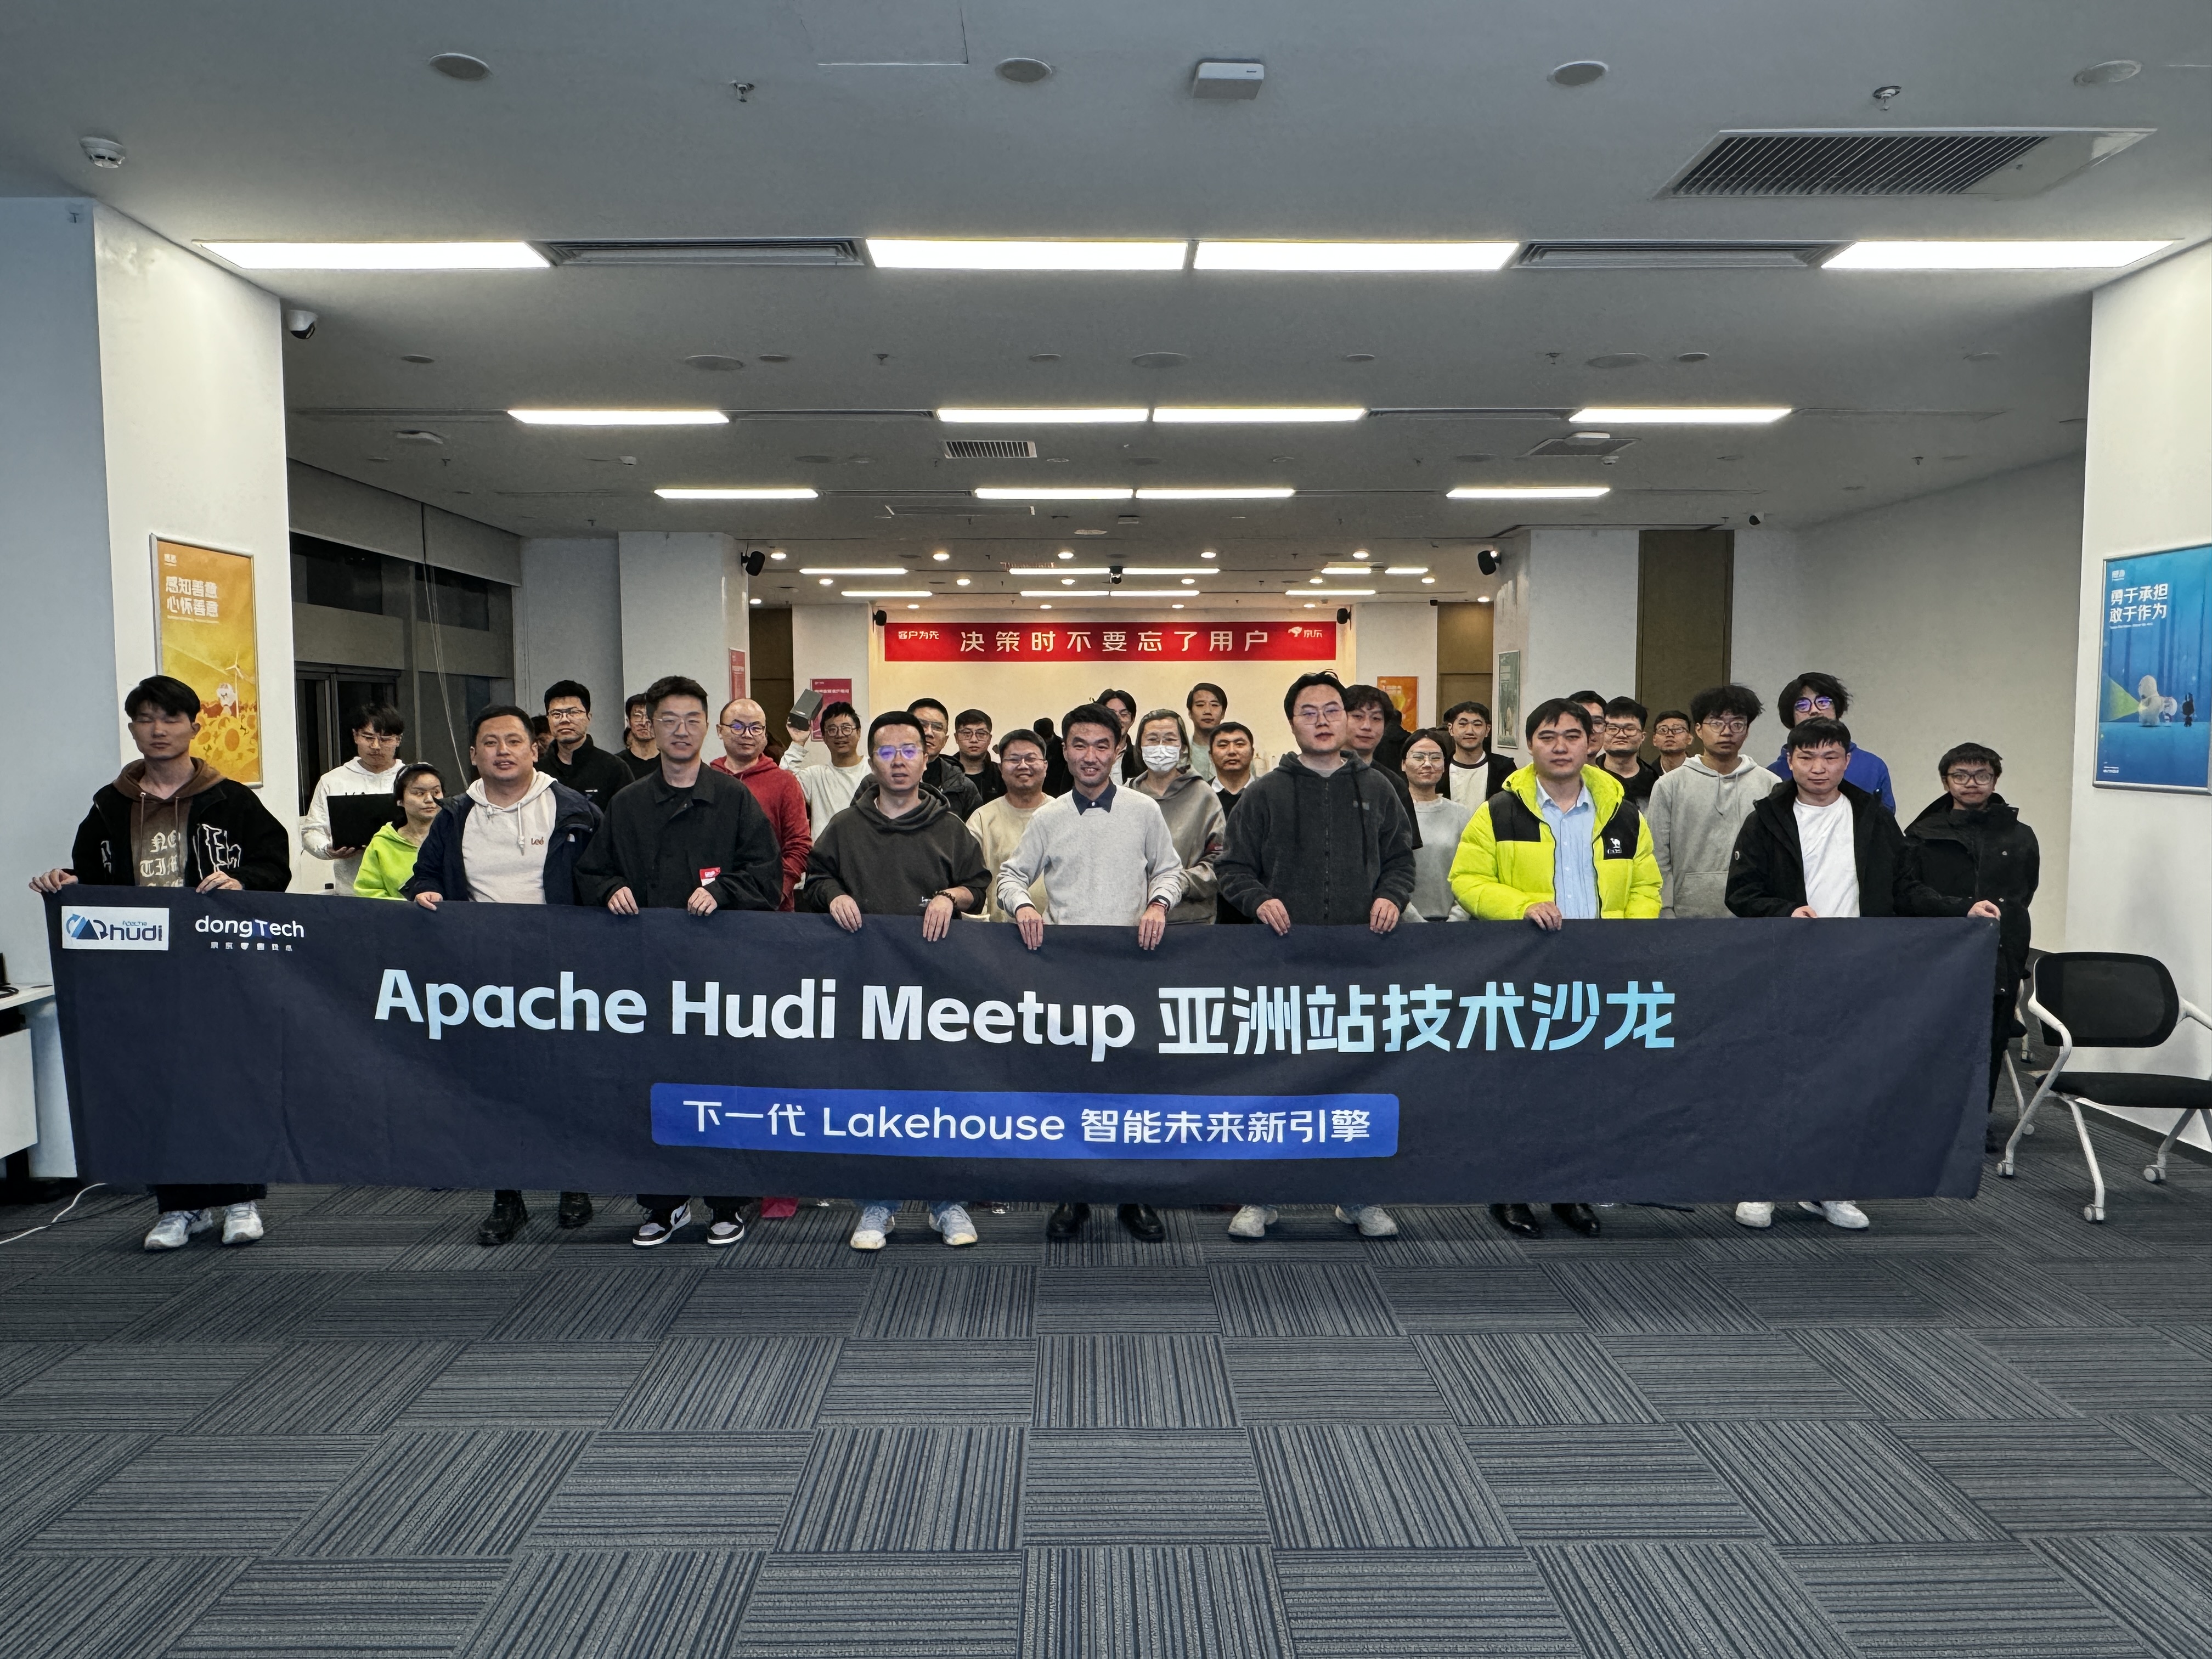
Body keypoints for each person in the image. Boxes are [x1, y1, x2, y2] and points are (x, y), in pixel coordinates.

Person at [30, 674, 293, 1251]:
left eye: (170, 718)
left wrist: (243, 880)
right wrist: (66, 883)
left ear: (194, 728)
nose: (158, 729)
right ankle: (180, 1206)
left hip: (218, 965)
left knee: (225, 1080)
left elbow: (276, 865)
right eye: (146, 719)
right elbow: (91, 878)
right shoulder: (110, 805)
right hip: (143, 972)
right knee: (159, 1085)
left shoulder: (231, 799)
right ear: (133, 729)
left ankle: (241, 1199)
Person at [1726, 716, 1997, 1231]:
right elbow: (1740, 892)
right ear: (1789, 761)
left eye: (1831, 757)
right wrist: (1785, 911)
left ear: (1848, 761)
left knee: (1846, 1083)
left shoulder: (1873, 817)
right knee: (1778, 1078)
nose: (1819, 768)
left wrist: (1961, 909)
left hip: (1859, 967)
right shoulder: (1766, 819)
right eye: (1807, 757)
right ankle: (1761, 1185)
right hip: (1785, 966)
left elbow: (1905, 889)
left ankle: (1831, 1187)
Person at [576, 675, 784, 1248]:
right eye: (668, 720)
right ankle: (663, 1203)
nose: (681, 730)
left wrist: (723, 892)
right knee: (654, 1086)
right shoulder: (628, 803)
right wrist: (611, 887)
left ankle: (727, 1202)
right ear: (650, 725)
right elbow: (590, 871)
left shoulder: (733, 799)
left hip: (720, 975)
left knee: (721, 1086)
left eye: (692, 719)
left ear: (707, 727)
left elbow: (767, 876)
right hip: (647, 976)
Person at [1451, 697, 1661, 1241]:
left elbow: (1646, 885)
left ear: (1593, 742)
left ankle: (1572, 1189)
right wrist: (1521, 906)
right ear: (1530, 746)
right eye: (1548, 737)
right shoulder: (1500, 811)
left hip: (1598, 968)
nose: (1561, 746)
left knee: (1584, 1086)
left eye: (1572, 736)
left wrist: (1624, 932)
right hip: (1526, 969)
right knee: (1519, 1084)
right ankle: (1512, 1191)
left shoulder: (1622, 813)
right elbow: (1467, 880)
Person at [1216, 671, 1415, 1242]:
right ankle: (1261, 1196)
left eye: (1333, 710)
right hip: (1283, 962)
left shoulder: (1378, 788)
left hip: (1359, 963)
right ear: (1292, 723)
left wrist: (1391, 896)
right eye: (1310, 711)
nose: (1323, 721)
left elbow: (1401, 860)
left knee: (1354, 1081)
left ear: (1348, 720)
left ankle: (1357, 1197)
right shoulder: (1264, 793)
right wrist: (1259, 900)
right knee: (1277, 1082)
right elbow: (1232, 868)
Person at [407, 704, 603, 1246]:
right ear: (474, 754)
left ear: (535, 750)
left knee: (563, 1082)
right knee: (496, 1087)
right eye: (490, 742)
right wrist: (426, 892)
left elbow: (603, 874)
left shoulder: (574, 809)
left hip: (560, 969)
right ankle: (506, 1197)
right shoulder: (455, 815)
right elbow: (425, 875)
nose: (503, 751)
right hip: (484, 974)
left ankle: (573, 1184)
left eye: (514, 741)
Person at [803, 710, 991, 1251]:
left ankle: (945, 1202)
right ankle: (877, 1204)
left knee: (940, 1095)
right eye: (887, 752)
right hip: (866, 985)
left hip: (937, 989)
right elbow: (815, 878)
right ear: (872, 760)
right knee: (875, 1096)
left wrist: (950, 897)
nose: (899, 761)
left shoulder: (948, 826)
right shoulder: (847, 825)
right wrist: (833, 895)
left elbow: (978, 885)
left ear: (927, 758)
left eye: (909, 750)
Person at [999, 703, 1184, 1244]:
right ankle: (1072, 1193)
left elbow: (1170, 871)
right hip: (1069, 973)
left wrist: (1158, 904)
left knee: (1133, 1086)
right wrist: (1023, 907)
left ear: (1119, 750)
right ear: (1065, 751)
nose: (1090, 756)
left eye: (1102, 745)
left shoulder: (1143, 810)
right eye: (1079, 745)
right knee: (1072, 1086)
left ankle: (1134, 1194)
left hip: (1133, 969)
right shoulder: (1049, 817)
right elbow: (1010, 877)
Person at [1904, 742, 2040, 1152]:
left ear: (1995, 780)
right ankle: (1927, 1119)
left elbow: (2024, 892)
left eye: (1982, 775)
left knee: (1992, 1040)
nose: (1971, 784)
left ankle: (1977, 1121)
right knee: (1935, 1038)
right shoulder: (1922, 834)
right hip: (1940, 950)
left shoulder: (2019, 835)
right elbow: (1909, 893)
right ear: (1945, 781)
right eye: (1960, 775)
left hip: (2000, 949)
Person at [1646, 684, 1775, 919]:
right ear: (1698, 729)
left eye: (1737, 724)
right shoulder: (1670, 785)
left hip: (1755, 915)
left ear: (1747, 731)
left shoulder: (1770, 785)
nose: (1727, 732)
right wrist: (1665, 909)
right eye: (1716, 723)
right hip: (1685, 915)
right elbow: (1657, 855)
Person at [709, 696, 810, 909]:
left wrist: (776, 891)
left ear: (764, 735)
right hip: (713, 904)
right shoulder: (707, 779)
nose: (747, 735)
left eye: (756, 728)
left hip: (771, 908)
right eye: (737, 726)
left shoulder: (784, 782)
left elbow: (799, 846)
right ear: (720, 730)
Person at [1130, 709, 1226, 928]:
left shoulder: (1203, 795)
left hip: (1191, 921)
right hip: (1135, 921)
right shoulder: (1127, 795)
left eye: (1169, 739)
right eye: (1152, 739)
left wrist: (1174, 884)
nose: (1161, 747)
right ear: (1140, 747)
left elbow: (1219, 861)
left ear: (1182, 746)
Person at [301, 702, 405, 895]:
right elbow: (312, 831)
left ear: (398, 740)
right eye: (368, 737)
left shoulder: (413, 779)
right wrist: (327, 849)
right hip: (352, 890)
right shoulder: (333, 780)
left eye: (385, 739)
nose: (376, 746)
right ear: (356, 736)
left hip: (406, 890)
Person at [1768, 672, 1894, 809]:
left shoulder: (1873, 766)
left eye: (1823, 702)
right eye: (1802, 705)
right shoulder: (1772, 775)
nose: (1814, 711)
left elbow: (1886, 818)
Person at [966, 727, 1051, 922]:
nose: (1023, 765)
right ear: (1001, 768)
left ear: (1045, 766)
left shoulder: (1061, 815)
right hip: (1000, 931)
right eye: (1014, 760)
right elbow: (970, 880)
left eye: (1031, 759)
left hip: (1056, 930)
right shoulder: (982, 819)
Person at [1400, 729, 1471, 921]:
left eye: (1435, 758)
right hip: (1400, 923)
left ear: (1444, 766)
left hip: (1452, 925)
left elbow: (1472, 872)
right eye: (1419, 757)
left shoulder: (1462, 814)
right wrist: (1412, 919)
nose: (1427, 764)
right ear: (1403, 764)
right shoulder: (1392, 811)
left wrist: (1457, 918)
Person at [1341, 685, 1424, 843]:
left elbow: (1404, 849)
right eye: (1358, 716)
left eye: (1376, 719)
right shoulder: (1320, 775)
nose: (1367, 726)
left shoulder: (1393, 784)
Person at [354, 761, 446, 899]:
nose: (429, 799)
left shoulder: (457, 837)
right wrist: (408, 907)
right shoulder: (382, 844)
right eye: (419, 793)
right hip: (397, 912)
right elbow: (367, 892)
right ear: (400, 800)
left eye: (436, 792)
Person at [538, 679, 634, 808]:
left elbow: (627, 815)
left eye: (573, 712)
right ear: (548, 720)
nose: (564, 720)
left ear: (589, 717)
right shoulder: (537, 771)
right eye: (556, 714)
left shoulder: (614, 768)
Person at [780, 700, 868, 838]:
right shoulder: (815, 776)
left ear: (858, 732)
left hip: (866, 847)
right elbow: (783, 783)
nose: (840, 735)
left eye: (846, 728)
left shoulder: (874, 770)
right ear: (824, 737)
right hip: (825, 850)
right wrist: (798, 742)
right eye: (832, 730)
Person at [1209, 721, 1260, 924]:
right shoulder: (1200, 797)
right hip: (1209, 902)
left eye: (1239, 744)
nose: (1231, 751)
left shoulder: (1268, 795)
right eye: (1223, 745)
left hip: (1259, 902)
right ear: (1210, 755)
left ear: (1252, 752)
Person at [908, 697, 984, 819]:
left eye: (937, 727)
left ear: (945, 740)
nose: (929, 733)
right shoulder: (884, 779)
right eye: (922, 725)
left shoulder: (964, 787)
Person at [1443, 701, 1515, 805]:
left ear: (1487, 730)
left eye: (1477, 725)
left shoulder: (1505, 768)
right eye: (1463, 724)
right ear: (1451, 729)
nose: (1470, 731)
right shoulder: (1440, 769)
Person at [1598, 696, 1661, 804]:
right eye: (1612, 729)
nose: (1621, 735)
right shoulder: (1587, 776)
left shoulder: (1656, 782)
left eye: (1630, 729)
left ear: (1642, 736)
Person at [952, 708, 1007, 806]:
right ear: (956, 738)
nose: (974, 740)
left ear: (989, 739)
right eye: (966, 733)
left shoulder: (1002, 776)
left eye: (981, 734)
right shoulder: (943, 773)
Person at [1096, 688, 1144, 781]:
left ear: (1132, 720)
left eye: (1124, 714)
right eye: (1111, 714)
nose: (1118, 720)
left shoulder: (1140, 758)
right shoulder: (1088, 755)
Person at [1186, 682, 1228, 781]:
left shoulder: (1234, 753)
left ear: (1223, 713)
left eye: (1214, 705)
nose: (1208, 711)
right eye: (1200, 705)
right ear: (1190, 713)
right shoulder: (1181, 751)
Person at [617, 691, 660, 781]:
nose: (644, 723)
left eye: (649, 716)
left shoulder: (670, 763)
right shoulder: (616, 764)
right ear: (629, 722)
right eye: (637, 716)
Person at [1650, 709, 1694, 776]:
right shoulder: (1645, 776)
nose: (1669, 734)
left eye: (1677, 730)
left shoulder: (1703, 773)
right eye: (1663, 730)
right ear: (1654, 740)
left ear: (1689, 739)